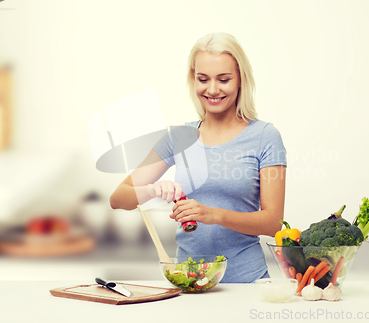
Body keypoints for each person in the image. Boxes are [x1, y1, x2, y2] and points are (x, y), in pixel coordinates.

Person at [110, 32, 287, 283]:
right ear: (193, 80)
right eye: (203, 79)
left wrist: (212, 214)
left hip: (246, 283)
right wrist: (151, 189)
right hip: (188, 282)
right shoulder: (180, 137)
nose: (212, 89)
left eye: (223, 79)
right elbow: (118, 198)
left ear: (240, 81)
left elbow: (273, 223)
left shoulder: (265, 136)